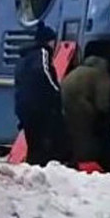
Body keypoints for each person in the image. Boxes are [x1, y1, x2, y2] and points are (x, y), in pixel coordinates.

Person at [13, 23, 69, 166]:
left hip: (23, 107)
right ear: (48, 41)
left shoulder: (24, 58)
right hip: (38, 106)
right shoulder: (42, 53)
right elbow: (44, 72)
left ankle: (33, 168)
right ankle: (43, 168)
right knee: (45, 142)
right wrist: (56, 91)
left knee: (33, 144)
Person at [61, 55, 110, 168]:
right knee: (86, 140)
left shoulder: (76, 72)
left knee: (74, 138)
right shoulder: (100, 75)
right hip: (81, 109)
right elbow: (103, 104)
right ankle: (87, 164)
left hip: (64, 107)